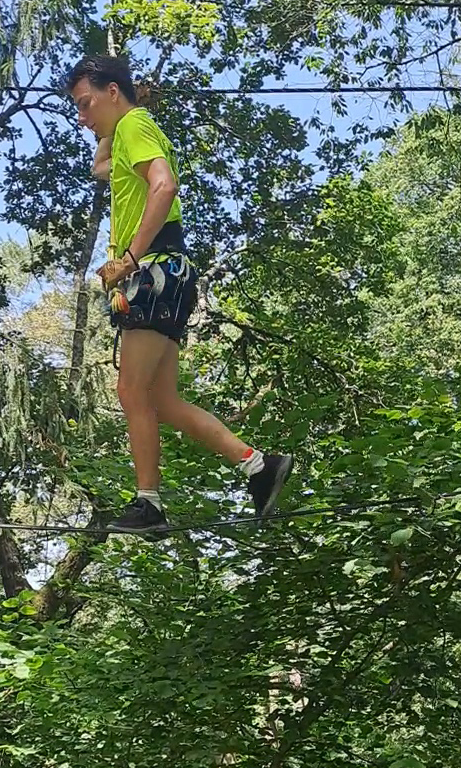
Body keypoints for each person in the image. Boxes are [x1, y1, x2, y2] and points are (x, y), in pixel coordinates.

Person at [65, 55, 293, 534]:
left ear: (112, 92)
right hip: (169, 273)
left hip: (152, 270)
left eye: (86, 104)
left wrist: (129, 258)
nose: (82, 117)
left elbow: (163, 186)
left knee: (130, 390)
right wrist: (114, 120)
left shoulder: (135, 126)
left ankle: (148, 504)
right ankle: (258, 466)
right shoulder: (129, 130)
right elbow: (100, 167)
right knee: (163, 401)